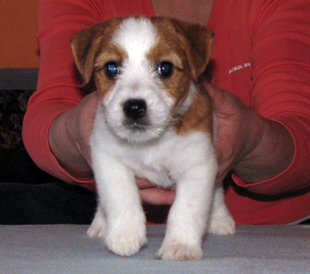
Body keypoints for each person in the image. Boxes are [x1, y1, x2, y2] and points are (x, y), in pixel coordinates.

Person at [22, 0, 310, 225]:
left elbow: (302, 132)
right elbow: (47, 112)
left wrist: (253, 140)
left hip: (279, 229)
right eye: (112, 69)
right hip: (115, 218)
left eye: (164, 69)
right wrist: (76, 132)